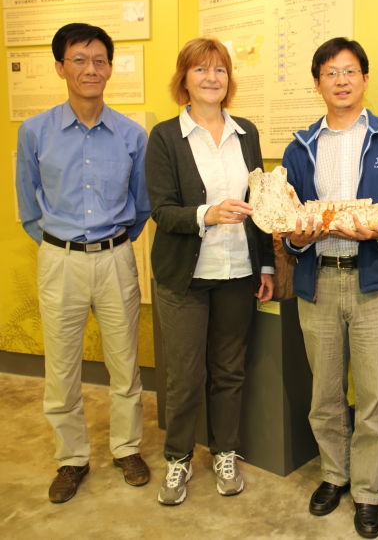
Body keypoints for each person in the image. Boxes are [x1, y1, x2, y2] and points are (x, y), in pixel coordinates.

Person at [280, 38, 378, 538]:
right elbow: (288, 219)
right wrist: (296, 236)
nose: (341, 80)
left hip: (374, 286)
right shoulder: (299, 146)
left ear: (364, 79)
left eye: (350, 71)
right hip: (318, 282)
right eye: (330, 72)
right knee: (323, 393)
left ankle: (366, 491)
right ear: (317, 82)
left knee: (373, 395)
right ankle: (333, 475)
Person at [15, 23, 151, 503]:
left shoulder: (133, 134)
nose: (90, 69)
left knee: (124, 364)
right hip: (60, 261)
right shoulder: (34, 132)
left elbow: (142, 205)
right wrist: (60, 244)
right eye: (79, 59)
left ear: (110, 68)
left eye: (99, 60)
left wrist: (115, 242)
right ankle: (71, 459)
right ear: (60, 66)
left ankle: (126, 448)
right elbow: (28, 207)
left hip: (116, 259)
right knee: (62, 367)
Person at [145, 37, 275, 506]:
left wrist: (264, 263)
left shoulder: (247, 133)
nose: (211, 78)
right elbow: (160, 211)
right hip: (185, 276)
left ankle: (225, 452)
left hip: (238, 271)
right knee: (184, 374)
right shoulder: (165, 136)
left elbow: (260, 202)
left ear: (228, 80)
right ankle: (178, 459)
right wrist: (207, 214)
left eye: (219, 70)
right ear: (184, 79)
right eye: (200, 69)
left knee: (229, 372)